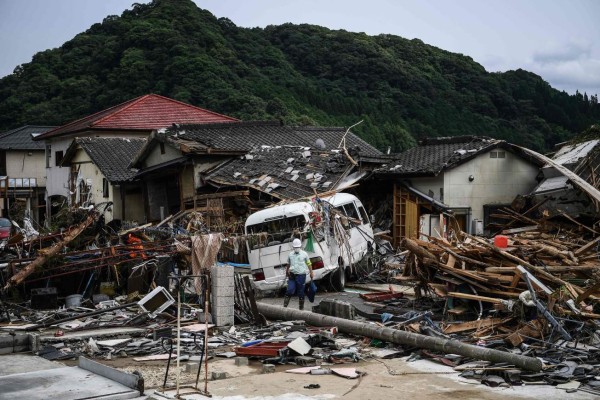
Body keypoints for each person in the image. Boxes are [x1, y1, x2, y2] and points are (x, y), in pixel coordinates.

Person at [284, 238, 313, 310]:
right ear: (293, 247)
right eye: (295, 247)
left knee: (301, 292)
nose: (296, 248)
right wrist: (287, 271)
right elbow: (288, 263)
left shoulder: (304, 254)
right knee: (290, 290)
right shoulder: (290, 254)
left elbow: (309, 263)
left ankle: (301, 309)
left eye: (297, 247)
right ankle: (284, 307)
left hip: (301, 275)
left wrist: (311, 272)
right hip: (292, 275)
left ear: (300, 247)